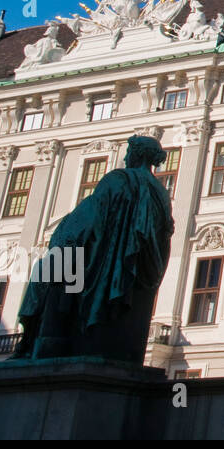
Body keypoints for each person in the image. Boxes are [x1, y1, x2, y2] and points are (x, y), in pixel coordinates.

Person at [14, 135, 174, 363]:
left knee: (51, 269)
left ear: (137, 154)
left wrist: (64, 238)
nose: (126, 157)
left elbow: (91, 220)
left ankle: (38, 342)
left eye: (129, 153)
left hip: (102, 265)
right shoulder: (160, 192)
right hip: (133, 269)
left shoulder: (118, 180)